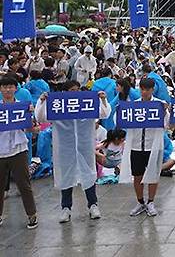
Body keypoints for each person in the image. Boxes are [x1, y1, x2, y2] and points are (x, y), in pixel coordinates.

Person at [35, 81, 110, 223]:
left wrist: (103, 99)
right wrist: (42, 101)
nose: (74, 93)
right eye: (71, 90)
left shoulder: (85, 105)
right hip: (65, 147)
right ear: (64, 93)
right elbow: (40, 117)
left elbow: (104, 113)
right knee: (66, 176)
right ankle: (66, 208)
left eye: (76, 90)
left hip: (84, 146)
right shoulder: (58, 106)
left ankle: (93, 204)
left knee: (89, 173)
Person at [119, 77, 170, 217]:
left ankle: (151, 202)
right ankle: (140, 202)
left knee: (153, 174)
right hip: (136, 145)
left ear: (153, 90)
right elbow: (121, 121)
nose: (144, 92)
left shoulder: (160, 104)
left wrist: (165, 112)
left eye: (147, 89)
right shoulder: (133, 105)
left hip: (152, 145)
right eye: (142, 89)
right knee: (137, 176)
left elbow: (167, 125)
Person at [0, 75, 38, 229]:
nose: (8, 90)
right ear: (1, 89)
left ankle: (32, 214)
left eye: (11, 87)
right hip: (1, 151)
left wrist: (30, 118)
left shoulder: (23, 106)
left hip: (18, 149)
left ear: (16, 89)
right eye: (4, 87)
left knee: (24, 184)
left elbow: (31, 129)